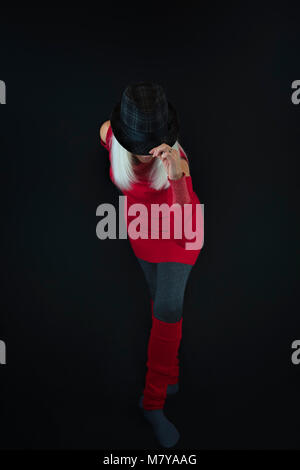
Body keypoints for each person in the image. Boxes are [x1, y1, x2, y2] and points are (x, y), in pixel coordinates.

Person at [99, 82, 203, 448]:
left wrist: (175, 177)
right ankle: (170, 370)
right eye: (136, 145)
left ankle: (153, 403)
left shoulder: (177, 164)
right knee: (158, 300)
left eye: (151, 146)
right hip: (142, 234)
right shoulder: (112, 136)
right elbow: (105, 134)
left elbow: (188, 223)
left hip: (180, 235)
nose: (145, 155)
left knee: (168, 307)